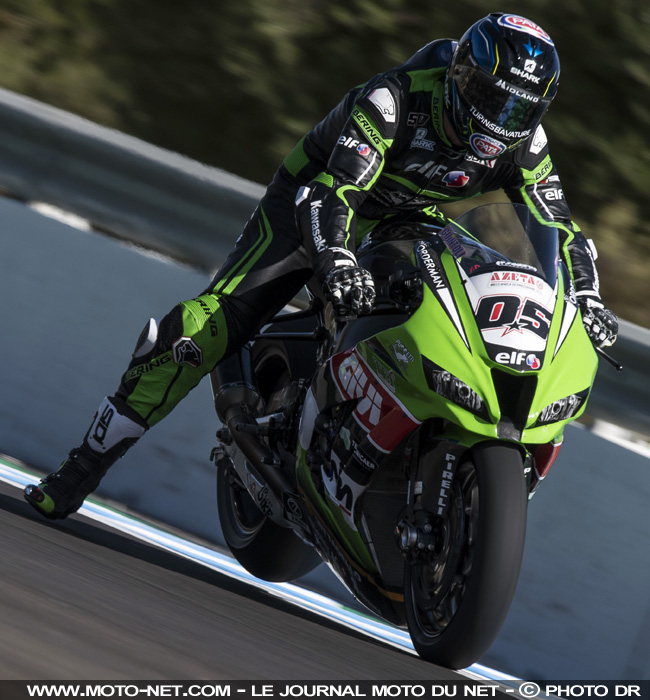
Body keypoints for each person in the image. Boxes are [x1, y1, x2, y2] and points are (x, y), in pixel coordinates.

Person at [24, 12, 618, 520]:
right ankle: (80, 470)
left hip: (409, 219)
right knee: (199, 332)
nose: (501, 120)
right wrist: (335, 257)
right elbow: (334, 192)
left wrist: (587, 298)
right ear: (461, 77)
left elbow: (558, 227)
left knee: (461, 293)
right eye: (492, 99)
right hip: (315, 202)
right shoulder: (396, 100)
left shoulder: (524, 141)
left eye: (519, 109)